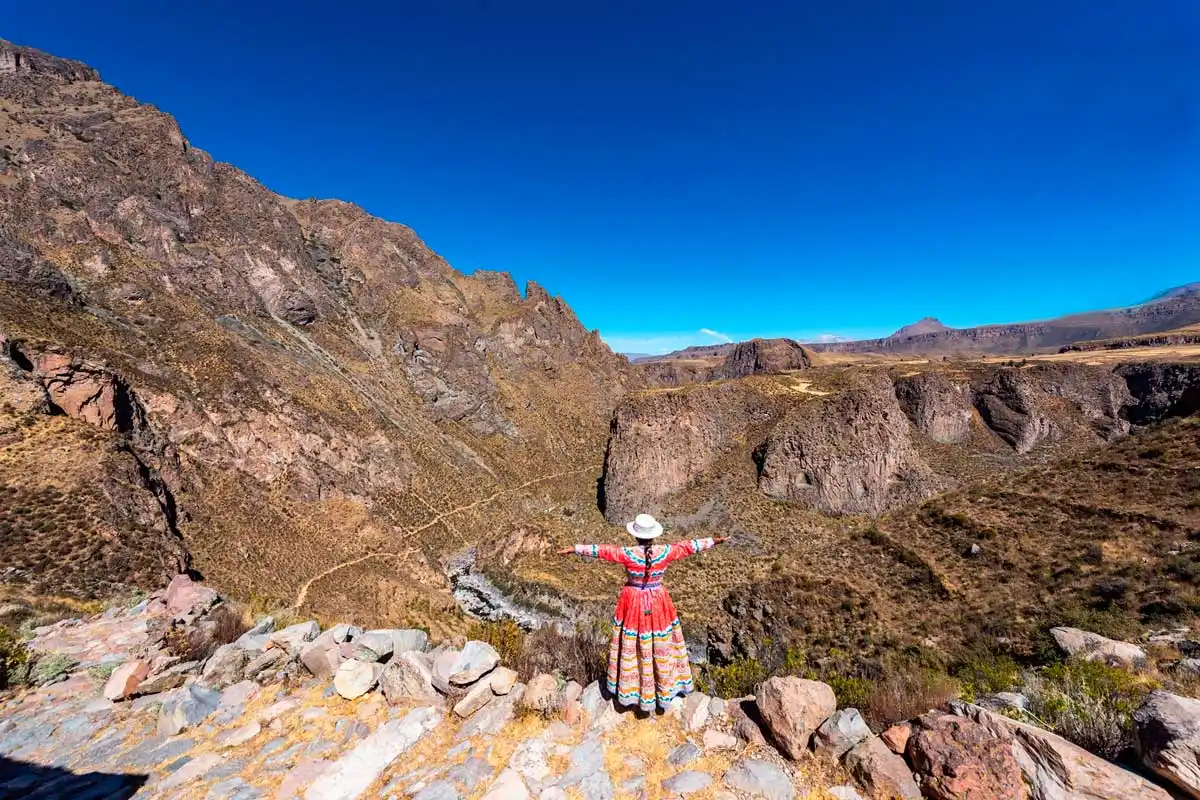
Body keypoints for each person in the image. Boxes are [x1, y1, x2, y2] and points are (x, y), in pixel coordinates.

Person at [558, 513, 728, 713]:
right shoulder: (665, 551)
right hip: (658, 601)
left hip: (633, 602)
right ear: (653, 534)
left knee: (634, 645)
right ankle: (661, 690)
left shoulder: (627, 554)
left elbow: (602, 551)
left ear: (636, 535)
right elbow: (689, 546)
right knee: (659, 643)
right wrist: (713, 541)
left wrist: (575, 548)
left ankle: (635, 690)